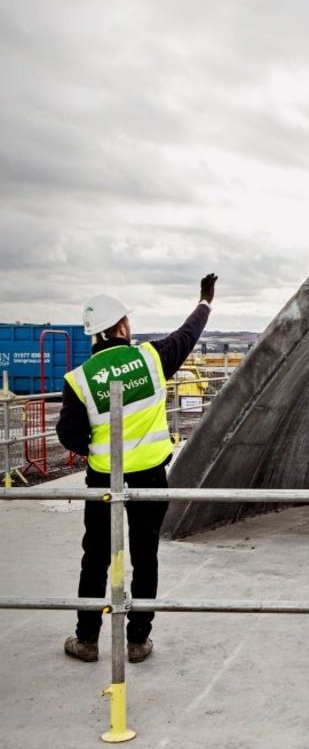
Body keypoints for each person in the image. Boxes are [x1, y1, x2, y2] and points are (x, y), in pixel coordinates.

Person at [57, 273, 218, 663]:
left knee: (95, 558)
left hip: (103, 482)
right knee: (145, 558)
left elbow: (69, 435)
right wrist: (205, 302)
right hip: (149, 478)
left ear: (93, 335)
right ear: (122, 327)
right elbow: (187, 335)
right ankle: (137, 641)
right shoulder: (149, 359)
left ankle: (87, 640)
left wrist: (100, 445)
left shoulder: (78, 380)